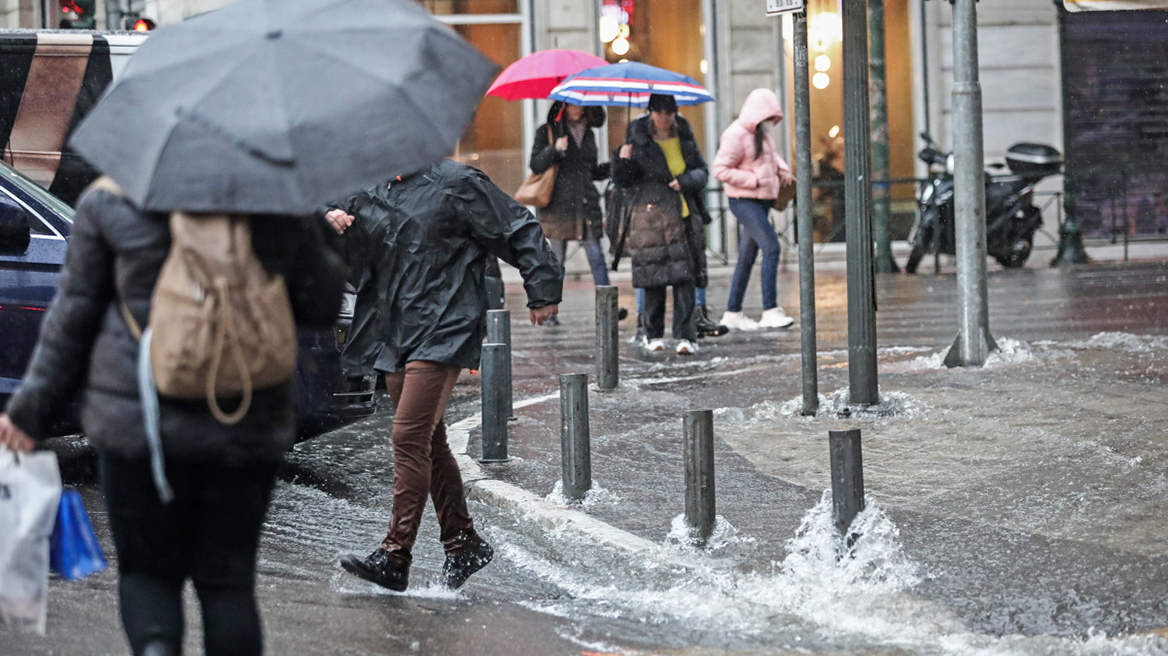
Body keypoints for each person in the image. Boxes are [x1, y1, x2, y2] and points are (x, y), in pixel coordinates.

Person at [0, 185, 346, 656]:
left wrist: (28, 412)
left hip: (136, 421)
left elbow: (74, 316)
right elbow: (322, 305)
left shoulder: (110, 201)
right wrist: (316, 234)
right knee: (227, 582)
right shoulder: (270, 196)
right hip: (244, 419)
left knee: (147, 574)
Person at [327, 159, 562, 592]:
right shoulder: (368, 188)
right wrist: (331, 223)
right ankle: (463, 543)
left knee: (408, 437)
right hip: (397, 329)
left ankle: (395, 555)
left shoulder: (456, 182)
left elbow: (518, 227)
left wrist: (542, 286)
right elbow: (342, 245)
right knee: (429, 439)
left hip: (446, 323)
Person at [613, 93, 711, 355]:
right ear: (650, 113)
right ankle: (652, 333)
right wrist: (622, 159)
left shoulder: (685, 138)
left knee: (685, 277)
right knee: (653, 276)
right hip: (651, 217)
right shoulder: (637, 139)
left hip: (683, 214)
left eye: (669, 113)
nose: (664, 118)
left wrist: (686, 180)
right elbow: (624, 180)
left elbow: (702, 171)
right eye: (658, 112)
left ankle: (686, 336)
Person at [712, 88, 796, 331]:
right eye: (767, 116)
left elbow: (772, 158)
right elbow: (721, 169)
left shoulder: (762, 134)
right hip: (744, 200)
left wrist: (782, 169)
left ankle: (733, 311)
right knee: (771, 247)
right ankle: (770, 309)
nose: (770, 122)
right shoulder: (736, 135)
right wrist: (755, 179)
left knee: (746, 258)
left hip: (762, 200)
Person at [529, 102, 610, 327]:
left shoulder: (589, 133)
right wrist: (554, 149)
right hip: (559, 207)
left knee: (597, 258)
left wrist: (614, 166)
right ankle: (550, 310)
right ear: (563, 105)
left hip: (585, 204)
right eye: (572, 103)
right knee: (556, 262)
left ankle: (608, 307)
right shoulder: (547, 130)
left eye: (581, 104)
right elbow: (535, 164)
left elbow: (590, 170)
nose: (577, 108)